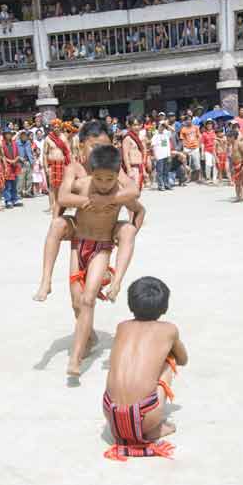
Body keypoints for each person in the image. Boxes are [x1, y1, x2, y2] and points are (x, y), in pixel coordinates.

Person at [33, 121, 139, 303]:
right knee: (57, 224)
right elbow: (63, 198)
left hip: (105, 232)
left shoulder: (114, 169)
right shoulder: (74, 168)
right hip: (80, 229)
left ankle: (116, 280)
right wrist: (88, 201)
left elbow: (133, 191)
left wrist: (106, 200)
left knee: (87, 297)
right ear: (82, 146)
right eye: (95, 146)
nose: (99, 151)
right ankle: (46, 280)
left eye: (105, 147)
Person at [66, 145, 145, 376]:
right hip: (78, 245)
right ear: (91, 173)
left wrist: (127, 234)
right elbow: (60, 203)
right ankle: (89, 337)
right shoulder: (81, 187)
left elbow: (140, 211)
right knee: (76, 303)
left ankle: (75, 358)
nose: (103, 184)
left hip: (102, 247)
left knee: (88, 300)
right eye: (98, 178)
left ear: (116, 174)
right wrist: (62, 227)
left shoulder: (120, 193)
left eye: (109, 179)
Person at [103, 276, 188, 460]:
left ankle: (135, 426)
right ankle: (152, 429)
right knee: (168, 361)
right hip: (145, 418)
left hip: (112, 415)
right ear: (164, 308)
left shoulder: (122, 327)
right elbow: (183, 360)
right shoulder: (169, 329)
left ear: (130, 305)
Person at [43, 118, 71, 217]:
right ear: (52, 127)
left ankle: (62, 205)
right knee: (51, 186)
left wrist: (69, 165)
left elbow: (68, 152)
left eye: (57, 126)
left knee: (62, 185)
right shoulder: (48, 138)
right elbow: (45, 153)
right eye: (54, 127)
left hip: (62, 164)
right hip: (52, 164)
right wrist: (46, 167)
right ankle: (51, 206)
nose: (56, 128)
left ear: (60, 127)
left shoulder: (64, 137)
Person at [122, 115, 145, 192]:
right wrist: (129, 170)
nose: (137, 127)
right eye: (135, 125)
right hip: (132, 168)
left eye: (138, 125)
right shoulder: (127, 138)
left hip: (140, 167)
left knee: (138, 190)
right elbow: (125, 155)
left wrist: (144, 170)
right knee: (133, 192)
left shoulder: (140, 138)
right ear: (130, 126)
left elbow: (142, 154)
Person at [227, 131, 243, 203]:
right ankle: (238, 196)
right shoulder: (231, 145)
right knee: (237, 182)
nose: (227, 139)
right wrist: (231, 166)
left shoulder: (240, 143)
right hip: (235, 164)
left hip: (242, 163)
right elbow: (232, 157)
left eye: (228, 137)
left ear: (233, 137)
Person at [2, 128, 21, 209]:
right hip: (7, 165)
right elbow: (1, 155)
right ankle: (8, 200)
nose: (8, 135)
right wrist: (10, 160)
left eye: (9, 133)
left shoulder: (14, 143)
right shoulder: (2, 144)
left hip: (15, 165)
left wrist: (15, 160)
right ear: (4, 135)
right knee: (7, 184)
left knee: (14, 183)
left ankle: (15, 199)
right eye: (7, 133)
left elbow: (18, 153)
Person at [151, 121, 171, 191]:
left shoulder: (166, 134)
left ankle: (166, 184)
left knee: (166, 171)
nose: (162, 127)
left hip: (166, 155)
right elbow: (153, 146)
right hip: (159, 156)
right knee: (160, 172)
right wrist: (155, 156)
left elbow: (173, 130)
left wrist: (166, 125)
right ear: (158, 127)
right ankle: (160, 185)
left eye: (163, 126)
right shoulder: (155, 135)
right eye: (160, 126)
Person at [180, 114, 201, 181]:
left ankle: (198, 178)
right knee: (186, 164)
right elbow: (182, 139)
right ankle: (188, 178)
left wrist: (198, 144)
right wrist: (184, 148)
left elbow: (198, 136)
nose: (189, 121)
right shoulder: (183, 129)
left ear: (192, 120)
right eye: (187, 120)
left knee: (197, 164)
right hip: (187, 148)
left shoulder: (196, 127)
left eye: (190, 119)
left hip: (195, 147)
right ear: (185, 121)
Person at [17, 130, 34, 198]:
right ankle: (18, 193)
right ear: (20, 136)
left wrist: (32, 161)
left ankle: (28, 192)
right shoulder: (17, 143)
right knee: (21, 179)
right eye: (23, 135)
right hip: (21, 162)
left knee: (29, 178)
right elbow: (15, 153)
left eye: (26, 135)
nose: (24, 137)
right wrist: (19, 158)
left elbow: (30, 152)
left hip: (28, 161)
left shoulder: (28, 142)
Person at [201, 119, 217, 184]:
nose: (209, 125)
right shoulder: (204, 134)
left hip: (214, 150)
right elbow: (202, 143)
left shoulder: (215, 132)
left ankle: (214, 178)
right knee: (208, 164)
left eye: (210, 124)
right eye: (208, 124)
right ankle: (208, 177)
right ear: (206, 125)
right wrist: (202, 152)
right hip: (207, 150)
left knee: (215, 164)